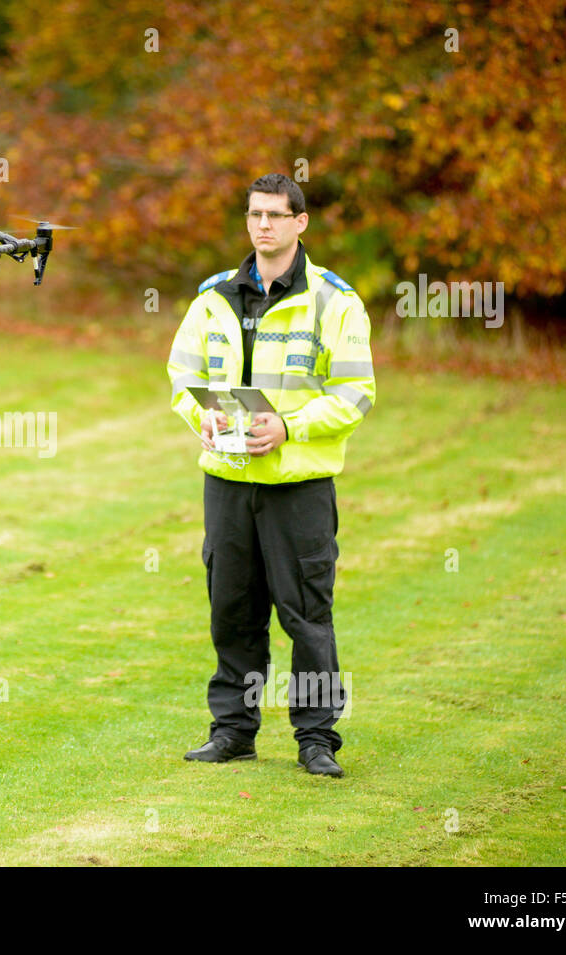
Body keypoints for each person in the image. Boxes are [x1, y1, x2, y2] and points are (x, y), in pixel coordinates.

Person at [165, 173, 376, 777]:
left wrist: (289, 427)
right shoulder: (212, 295)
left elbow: (357, 394)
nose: (264, 225)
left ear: (300, 222)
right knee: (231, 610)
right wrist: (200, 418)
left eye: (277, 216)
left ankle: (315, 740)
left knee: (306, 616)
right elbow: (182, 378)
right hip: (228, 484)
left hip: (299, 488)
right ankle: (233, 731)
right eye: (256, 214)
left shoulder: (335, 301)